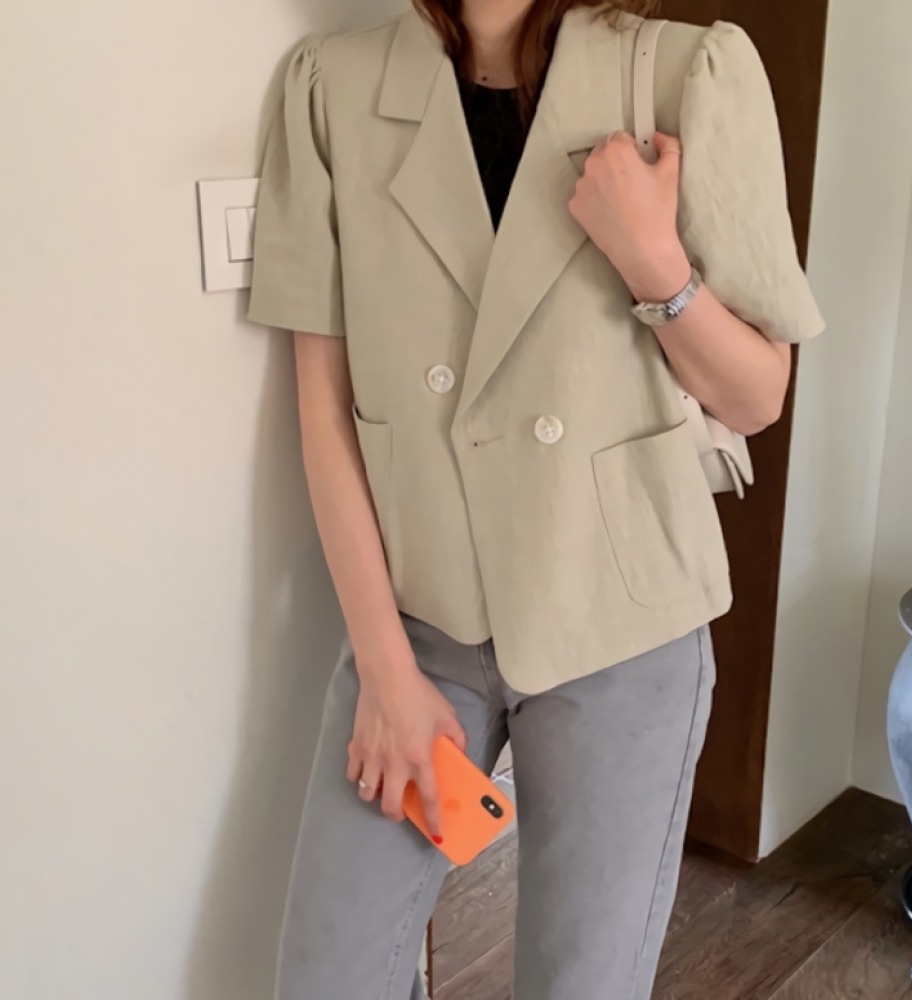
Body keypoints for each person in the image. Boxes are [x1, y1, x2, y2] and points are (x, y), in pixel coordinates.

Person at [247, 0, 824, 997]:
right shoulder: (330, 89)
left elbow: (756, 395)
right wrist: (383, 670)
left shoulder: (684, 75)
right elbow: (325, 407)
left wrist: (653, 260)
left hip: (619, 631)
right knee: (325, 976)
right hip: (419, 625)